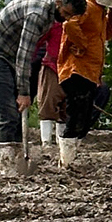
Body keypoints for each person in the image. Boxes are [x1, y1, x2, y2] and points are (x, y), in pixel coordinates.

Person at [0, 0, 87, 176]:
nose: (66, 19)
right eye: (66, 14)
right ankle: (8, 169)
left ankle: (17, 162)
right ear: (59, 3)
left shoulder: (52, 9)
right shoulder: (37, 15)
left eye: (71, 17)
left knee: (15, 113)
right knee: (9, 114)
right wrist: (24, 92)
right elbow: (24, 55)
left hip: (10, 59)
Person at [56, 0, 112, 167]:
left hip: (90, 71)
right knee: (77, 112)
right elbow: (69, 25)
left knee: (86, 115)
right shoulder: (87, 6)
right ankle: (66, 161)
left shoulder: (100, 10)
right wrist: (82, 45)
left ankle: (70, 155)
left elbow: (103, 34)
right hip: (76, 69)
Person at [33, 18, 67, 163]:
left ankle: (62, 141)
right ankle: (46, 142)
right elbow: (38, 41)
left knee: (65, 105)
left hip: (69, 66)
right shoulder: (54, 24)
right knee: (48, 102)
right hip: (52, 65)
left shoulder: (77, 24)